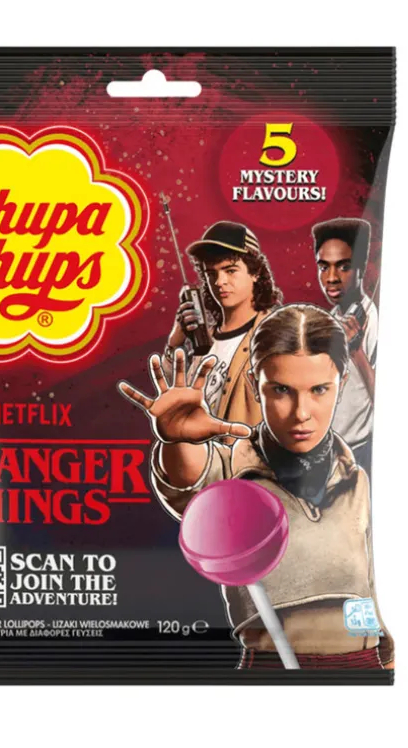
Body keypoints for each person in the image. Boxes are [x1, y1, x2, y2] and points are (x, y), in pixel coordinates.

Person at [118, 304, 393, 670]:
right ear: (253, 385)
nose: (301, 413)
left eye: (319, 390)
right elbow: (189, 481)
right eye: (281, 390)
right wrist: (178, 440)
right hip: (269, 668)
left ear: (340, 385)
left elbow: (371, 584)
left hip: (364, 664)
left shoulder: (357, 477)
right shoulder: (233, 470)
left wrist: (387, 658)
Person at [163, 221, 282, 439]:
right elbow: (174, 401)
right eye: (211, 273)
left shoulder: (277, 334)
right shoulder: (205, 341)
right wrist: (174, 343)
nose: (219, 282)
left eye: (230, 270)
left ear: (255, 272)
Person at [313, 218, 377, 474]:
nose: (331, 278)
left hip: (358, 454)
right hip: (327, 453)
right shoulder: (331, 318)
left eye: (344, 267)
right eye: (323, 267)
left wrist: (357, 352)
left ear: (361, 268)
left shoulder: (374, 319)